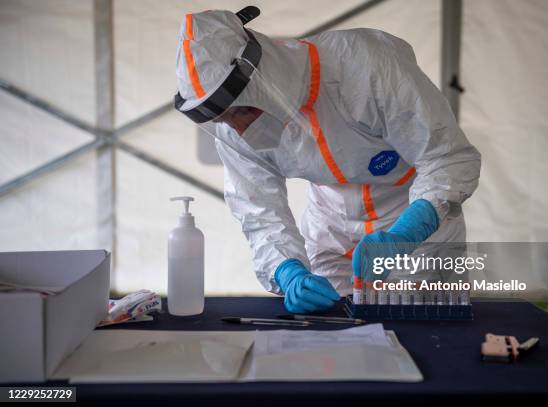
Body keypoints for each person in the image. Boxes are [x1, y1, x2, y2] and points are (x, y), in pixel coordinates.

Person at [174, 7, 481, 313]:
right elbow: (259, 211)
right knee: (333, 337)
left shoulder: (366, 65)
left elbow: (446, 158)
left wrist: (406, 234)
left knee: (421, 336)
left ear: (263, 73)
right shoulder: (230, 131)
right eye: (225, 120)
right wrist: (288, 271)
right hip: (330, 227)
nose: (240, 129)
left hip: (413, 219)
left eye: (242, 110)